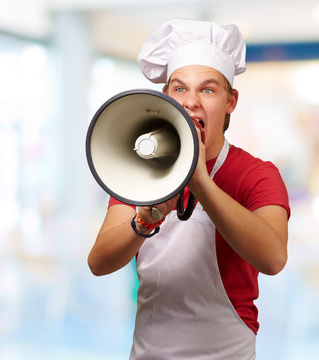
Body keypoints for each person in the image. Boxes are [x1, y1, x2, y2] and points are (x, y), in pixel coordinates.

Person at [87, 18, 290, 359]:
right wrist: (145, 220)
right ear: (166, 97)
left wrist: (200, 182)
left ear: (231, 101)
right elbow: (99, 261)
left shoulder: (258, 175)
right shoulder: (139, 168)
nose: (191, 101)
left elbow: (272, 258)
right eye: (180, 89)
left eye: (208, 89)